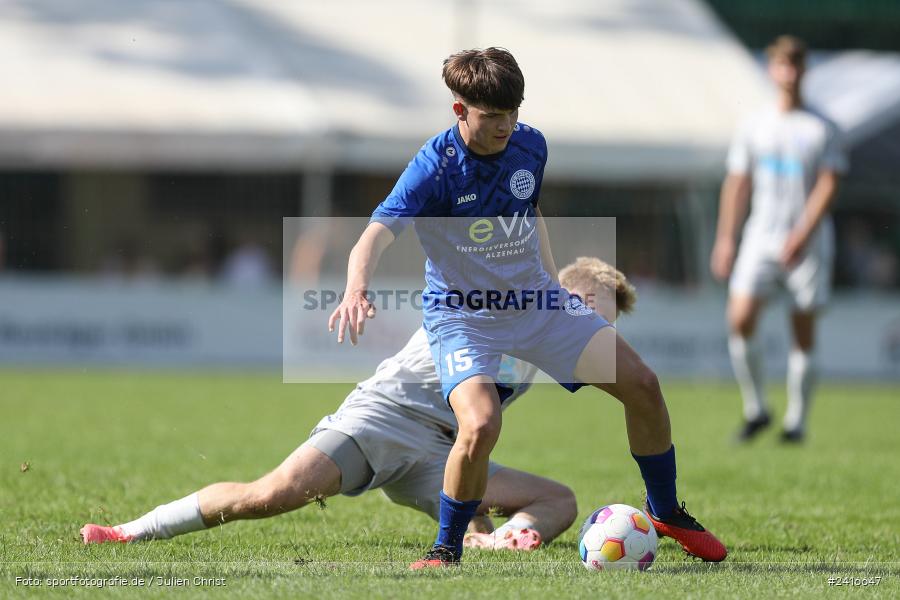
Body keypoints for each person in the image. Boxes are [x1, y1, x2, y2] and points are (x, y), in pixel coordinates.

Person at [328, 47, 727, 568]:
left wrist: (550, 277)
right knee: (479, 425)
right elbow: (374, 235)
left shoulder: (531, 145)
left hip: (536, 305)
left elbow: (529, 209)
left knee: (643, 385)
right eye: (493, 117)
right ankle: (445, 550)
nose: (506, 126)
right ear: (460, 111)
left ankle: (667, 510)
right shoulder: (433, 169)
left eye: (513, 113)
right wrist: (356, 287)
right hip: (463, 317)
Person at [80, 258, 633, 553]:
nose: (596, 331)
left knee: (558, 499)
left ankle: (498, 543)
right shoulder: (511, 301)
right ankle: (131, 531)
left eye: (604, 324)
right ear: (565, 296)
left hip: (440, 453)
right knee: (268, 495)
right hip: (383, 418)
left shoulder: (553, 350)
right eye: (594, 314)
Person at [710, 36, 848, 444]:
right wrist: (726, 239)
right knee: (740, 318)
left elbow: (828, 184)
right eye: (782, 65)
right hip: (761, 238)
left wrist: (801, 234)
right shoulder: (756, 124)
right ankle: (756, 409)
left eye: (796, 65)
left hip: (808, 242)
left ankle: (797, 422)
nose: (788, 73)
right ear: (772, 70)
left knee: (801, 326)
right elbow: (737, 184)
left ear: (804, 70)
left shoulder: (823, 126)